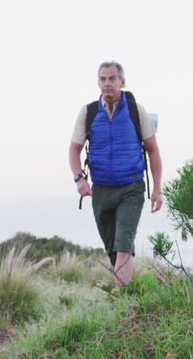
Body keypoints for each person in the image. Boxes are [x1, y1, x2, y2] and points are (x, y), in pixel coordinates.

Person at [68, 61, 162, 286]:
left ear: (122, 82)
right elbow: (74, 150)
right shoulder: (88, 112)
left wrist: (156, 189)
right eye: (103, 79)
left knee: (123, 242)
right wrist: (79, 178)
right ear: (98, 82)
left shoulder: (135, 110)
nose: (107, 83)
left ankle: (122, 300)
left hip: (131, 187)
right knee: (113, 248)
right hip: (101, 190)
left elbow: (153, 150)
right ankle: (129, 293)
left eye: (112, 79)